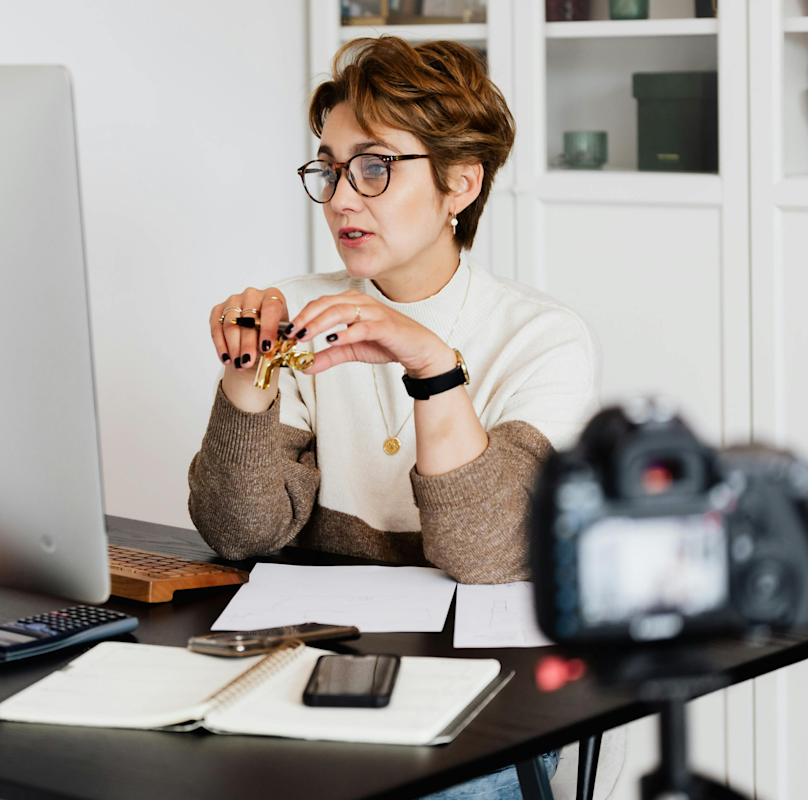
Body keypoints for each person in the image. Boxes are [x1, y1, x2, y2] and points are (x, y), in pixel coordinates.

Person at [189, 37, 600, 798]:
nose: (343, 198)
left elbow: (485, 555)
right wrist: (247, 376)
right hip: (315, 669)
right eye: (330, 169)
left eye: (375, 166)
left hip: (489, 699)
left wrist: (433, 369)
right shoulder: (300, 311)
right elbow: (241, 532)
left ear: (460, 184)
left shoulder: (543, 338)